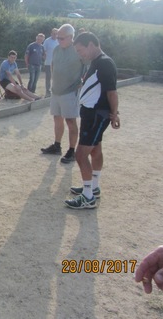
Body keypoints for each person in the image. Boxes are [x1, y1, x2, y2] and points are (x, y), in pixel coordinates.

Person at [65, 32, 120, 209]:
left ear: (90, 44)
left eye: (81, 50)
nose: (81, 54)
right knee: (96, 149)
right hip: (92, 114)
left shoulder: (104, 63)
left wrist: (115, 114)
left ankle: (88, 196)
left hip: (97, 115)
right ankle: (93, 187)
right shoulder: (97, 62)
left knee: (80, 154)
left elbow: (112, 91)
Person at [40, 24, 83, 164]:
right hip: (56, 90)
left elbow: (88, 66)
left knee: (71, 121)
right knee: (56, 118)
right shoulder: (57, 49)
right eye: (57, 37)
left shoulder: (78, 50)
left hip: (70, 91)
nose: (58, 40)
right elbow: (53, 64)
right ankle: (57, 145)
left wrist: (82, 81)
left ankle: (72, 150)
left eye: (62, 38)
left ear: (71, 37)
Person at [42, 28, 59, 98]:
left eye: (56, 34)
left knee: (56, 77)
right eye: (54, 33)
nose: (55, 35)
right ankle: (47, 90)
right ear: (51, 33)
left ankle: (55, 90)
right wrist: (44, 58)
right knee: (48, 77)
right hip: (48, 62)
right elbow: (43, 50)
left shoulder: (59, 41)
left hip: (57, 63)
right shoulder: (47, 41)